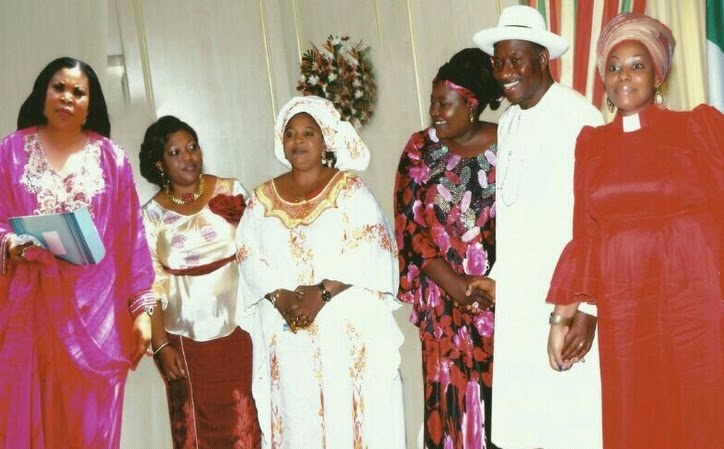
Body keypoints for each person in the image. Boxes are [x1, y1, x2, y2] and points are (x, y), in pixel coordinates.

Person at [546, 12, 723, 449]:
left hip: (696, 301)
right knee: (637, 414)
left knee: (703, 410)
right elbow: (585, 234)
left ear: (658, 74)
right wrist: (563, 317)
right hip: (626, 306)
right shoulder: (592, 144)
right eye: (613, 66)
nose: (623, 75)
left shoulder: (698, 128)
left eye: (637, 65)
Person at [0, 57, 156, 449]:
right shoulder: (10, 151)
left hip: (97, 321)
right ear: (43, 93)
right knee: (33, 420)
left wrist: (142, 312)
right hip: (31, 314)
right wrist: (11, 244)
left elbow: (131, 240)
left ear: (91, 104)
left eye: (78, 92)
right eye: (58, 87)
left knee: (91, 428)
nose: (67, 97)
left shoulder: (112, 158)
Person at [236, 95, 405, 449]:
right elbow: (248, 253)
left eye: (308, 133)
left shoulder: (350, 190)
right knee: (298, 422)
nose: (298, 141)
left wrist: (321, 293)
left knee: (349, 419)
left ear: (325, 139)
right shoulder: (261, 199)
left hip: (343, 331)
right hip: (288, 333)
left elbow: (371, 243)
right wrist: (280, 297)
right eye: (291, 134)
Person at [473, 5, 605, 448]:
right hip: (519, 305)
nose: (504, 72)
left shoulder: (578, 117)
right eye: (498, 62)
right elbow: (517, 215)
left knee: (571, 425)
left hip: (566, 302)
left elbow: (598, 222)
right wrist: (496, 279)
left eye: (516, 60)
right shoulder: (509, 122)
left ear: (542, 59)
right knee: (527, 430)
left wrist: (589, 310)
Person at [394, 47, 502, 449]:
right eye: (432, 102)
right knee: (451, 408)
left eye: (444, 103)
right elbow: (409, 227)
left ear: (471, 104)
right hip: (442, 305)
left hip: (499, 300)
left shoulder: (509, 143)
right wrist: (454, 284)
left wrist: (492, 284)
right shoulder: (420, 149)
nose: (434, 112)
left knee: (501, 411)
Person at [138, 115, 261, 448]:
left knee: (244, 425)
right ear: (159, 164)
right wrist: (160, 346)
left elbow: (259, 252)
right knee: (195, 431)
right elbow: (148, 285)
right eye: (175, 152)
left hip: (241, 330)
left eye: (192, 147)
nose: (188, 157)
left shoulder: (231, 191)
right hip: (183, 343)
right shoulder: (149, 216)